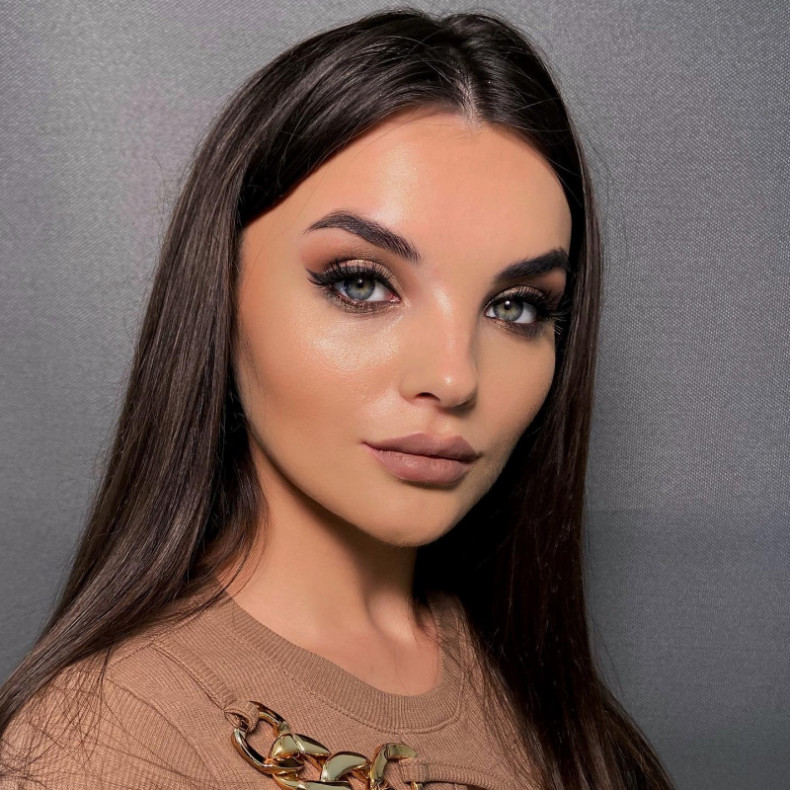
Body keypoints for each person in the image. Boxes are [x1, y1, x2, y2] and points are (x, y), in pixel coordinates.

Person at [0, 8, 675, 790]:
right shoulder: (106, 742)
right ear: (221, 292)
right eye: (361, 283)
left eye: (516, 306)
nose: (455, 378)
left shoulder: (545, 701)